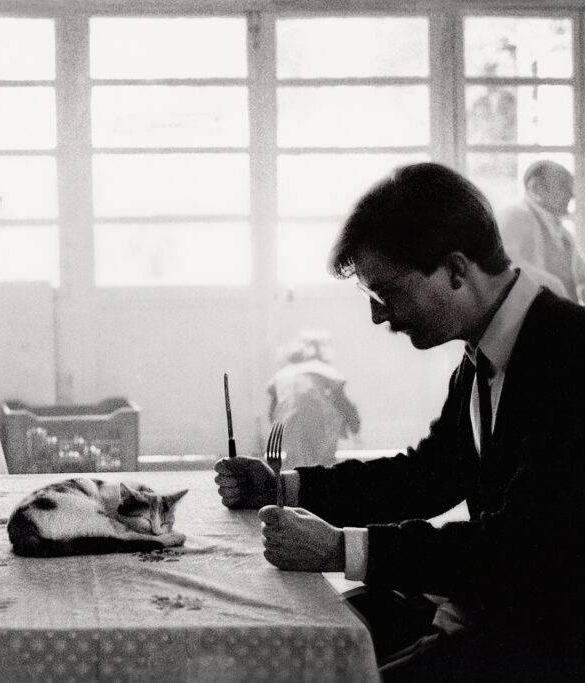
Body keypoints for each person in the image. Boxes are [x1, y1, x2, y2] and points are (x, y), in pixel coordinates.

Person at [215, 163, 585, 681]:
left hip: (545, 639)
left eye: (386, 292)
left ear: (456, 270)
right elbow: (429, 476)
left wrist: (342, 548)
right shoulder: (491, 347)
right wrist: (284, 486)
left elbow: (521, 548)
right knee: (265, 637)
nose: (379, 316)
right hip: (486, 609)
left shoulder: (570, 356)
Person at [266, 330, 360, 468]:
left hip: (287, 424)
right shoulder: (324, 370)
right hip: (319, 421)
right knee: (323, 463)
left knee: (296, 464)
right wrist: (354, 425)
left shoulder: (282, 375)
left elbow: (273, 410)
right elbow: (343, 402)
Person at [496, 160, 585, 302]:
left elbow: (580, 274)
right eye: (563, 186)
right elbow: (504, 262)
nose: (572, 195)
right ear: (536, 187)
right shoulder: (516, 215)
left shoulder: (562, 233)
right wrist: (553, 284)